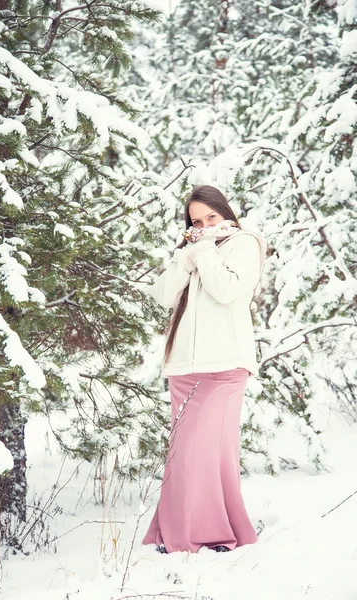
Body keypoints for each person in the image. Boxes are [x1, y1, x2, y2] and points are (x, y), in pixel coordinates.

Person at [141, 184, 267, 555]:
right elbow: (163, 296)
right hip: (184, 368)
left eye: (211, 216)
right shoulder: (192, 252)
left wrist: (205, 248)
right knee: (192, 451)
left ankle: (202, 534)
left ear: (224, 211)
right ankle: (199, 531)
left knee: (200, 448)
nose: (205, 224)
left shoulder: (246, 242)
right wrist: (186, 258)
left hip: (226, 364)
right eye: (197, 221)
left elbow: (226, 290)